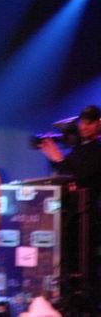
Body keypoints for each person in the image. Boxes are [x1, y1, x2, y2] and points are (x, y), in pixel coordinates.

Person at [38, 104, 101, 310]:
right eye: (82, 122)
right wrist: (55, 160)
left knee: (86, 266)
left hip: (88, 217)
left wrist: (58, 158)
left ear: (98, 124)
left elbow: (79, 176)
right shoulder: (78, 149)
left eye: (90, 122)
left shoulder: (97, 149)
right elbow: (65, 177)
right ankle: (70, 305)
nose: (84, 126)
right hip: (71, 216)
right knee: (68, 264)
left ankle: (89, 307)